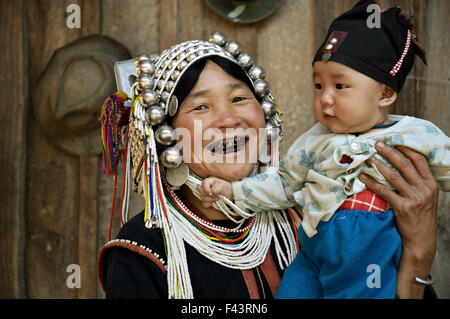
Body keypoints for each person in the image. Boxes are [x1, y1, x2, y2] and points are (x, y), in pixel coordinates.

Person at [97, 29, 439, 299]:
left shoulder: (317, 209)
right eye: (200, 107)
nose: (229, 119)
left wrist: (420, 251)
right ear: (165, 134)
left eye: (240, 98)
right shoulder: (144, 252)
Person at [198, 1, 449, 299]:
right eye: (318, 86)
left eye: (340, 87)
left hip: (368, 243)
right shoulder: (313, 140)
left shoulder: (416, 134)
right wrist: (233, 191)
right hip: (314, 243)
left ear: (385, 94)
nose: (325, 98)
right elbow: (284, 184)